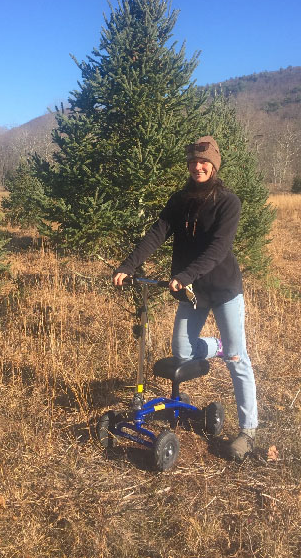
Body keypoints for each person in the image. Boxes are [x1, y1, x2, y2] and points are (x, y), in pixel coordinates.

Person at [113, 135, 258, 461]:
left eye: (203, 161)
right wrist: (128, 264)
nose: (197, 166)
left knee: (238, 359)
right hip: (192, 292)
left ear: (214, 164)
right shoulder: (179, 199)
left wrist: (184, 275)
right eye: (193, 161)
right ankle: (218, 346)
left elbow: (218, 248)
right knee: (182, 351)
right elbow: (158, 233)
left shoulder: (228, 202)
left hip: (222, 290)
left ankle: (248, 430)